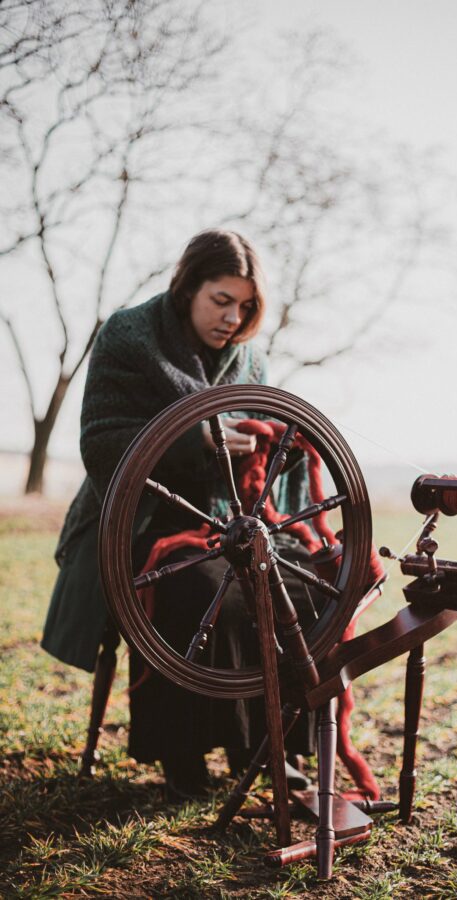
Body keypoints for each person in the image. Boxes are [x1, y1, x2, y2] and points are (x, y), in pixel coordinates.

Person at [42, 229, 317, 799]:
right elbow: (102, 442)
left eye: (246, 307)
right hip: (136, 522)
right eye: (221, 301)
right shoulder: (130, 335)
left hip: (227, 524)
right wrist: (202, 441)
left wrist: (278, 450)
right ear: (188, 286)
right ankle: (181, 751)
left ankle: (268, 744)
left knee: (293, 584)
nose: (232, 318)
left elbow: (258, 467)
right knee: (196, 587)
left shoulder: (252, 359)